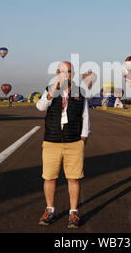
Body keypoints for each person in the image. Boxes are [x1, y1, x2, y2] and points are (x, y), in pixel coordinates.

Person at [36, 61, 90, 229]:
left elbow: (85, 116)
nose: (65, 74)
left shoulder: (80, 93)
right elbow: (40, 106)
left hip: (73, 142)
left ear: (72, 74)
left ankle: (73, 212)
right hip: (52, 141)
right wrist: (53, 89)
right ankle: (49, 210)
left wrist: (83, 139)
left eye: (68, 71)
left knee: (73, 178)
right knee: (49, 177)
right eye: (61, 71)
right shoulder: (49, 90)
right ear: (57, 73)